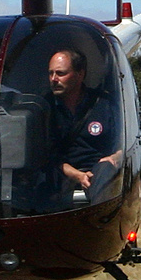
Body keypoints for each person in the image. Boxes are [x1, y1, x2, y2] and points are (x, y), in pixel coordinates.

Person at [47, 49, 120, 205]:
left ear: (80, 75)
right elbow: (44, 156)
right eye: (51, 73)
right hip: (59, 173)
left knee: (107, 171)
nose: (54, 79)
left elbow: (125, 143)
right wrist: (78, 175)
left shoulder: (104, 103)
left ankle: (101, 224)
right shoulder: (43, 108)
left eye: (60, 73)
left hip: (98, 172)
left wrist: (114, 159)